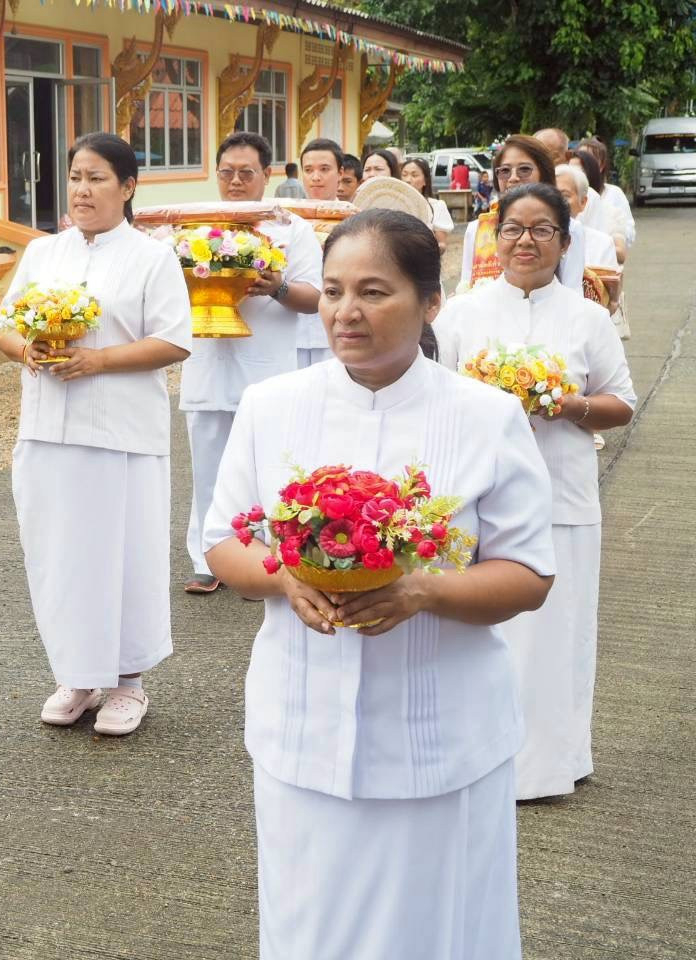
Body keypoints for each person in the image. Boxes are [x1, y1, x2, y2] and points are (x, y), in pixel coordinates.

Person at [206, 208, 556, 960]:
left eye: (373, 291)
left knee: (435, 930)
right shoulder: (273, 407)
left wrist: (422, 591)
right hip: (301, 727)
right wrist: (285, 578)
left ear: (431, 302)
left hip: (440, 738)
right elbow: (223, 542)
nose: (346, 312)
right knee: (309, 928)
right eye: (332, 291)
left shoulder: (486, 417)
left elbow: (527, 575)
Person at [436, 183, 635, 801]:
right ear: (495, 239)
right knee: (480, 633)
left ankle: (553, 761)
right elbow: (436, 400)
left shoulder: (587, 317)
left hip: (562, 492)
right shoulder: (463, 314)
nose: (526, 241)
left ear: (564, 241)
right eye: (514, 228)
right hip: (479, 495)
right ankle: (477, 758)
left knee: (559, 630)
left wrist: (568, 404)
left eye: (541, 230)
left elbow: (621, 403)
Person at [0, 132, 191, 735]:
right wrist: (29, 348)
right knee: (61, 555)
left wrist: (98, 361)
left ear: (128, 188)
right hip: (49, 429)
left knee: (125, 554)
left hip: (122, 434)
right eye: (76, 175)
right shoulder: (43, 253)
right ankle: (77, 674)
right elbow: (2, 327)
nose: (82, 188)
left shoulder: (152, 258)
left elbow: (175, 339)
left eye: (97, 177)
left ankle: (129, 682)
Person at [181, 132, 322, 595]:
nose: (235, 182)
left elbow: (315, 299)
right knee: (208, 465)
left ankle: (268, 556)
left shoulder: (290, 229)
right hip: (207, 363)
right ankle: (209, 557)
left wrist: (277, 287)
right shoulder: (193, 226)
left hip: (267, 367)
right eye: (227, 173)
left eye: (246, 173)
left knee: (270, 466)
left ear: (268, 176)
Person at [458, 134, 586, 292]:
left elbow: (572, 292)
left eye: (524, 170)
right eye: (504, 171)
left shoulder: (568, 228)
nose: (513, 178)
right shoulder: (477, 229)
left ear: (544, 174)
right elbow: (465, 287)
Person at [296, 137, 343, 368]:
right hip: (293, 328)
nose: (316, 177)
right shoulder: (286, 220)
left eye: (324, 169)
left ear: (340, 172)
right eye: (308, 170)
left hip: (337, 326)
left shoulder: (354, 218)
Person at [570, 147, 628, 261]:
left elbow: (621, 254)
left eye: (578, 171)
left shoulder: (611, 213)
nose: (571, 176)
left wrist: (595, 246)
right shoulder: (556, 212)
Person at [579, 136, 636, 247]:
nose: (582, 165)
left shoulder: (614, 193)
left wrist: (612, 237)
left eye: (590, 160)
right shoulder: (569, 191)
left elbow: (629, 231)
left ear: (601, 165)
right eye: (579, 160)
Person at [401, 156, 453, 253]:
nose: (408, 180)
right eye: (404, 175)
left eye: (414, 175)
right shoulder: (392, 205)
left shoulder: (436, 206)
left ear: (425, 181)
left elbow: (441, 244)